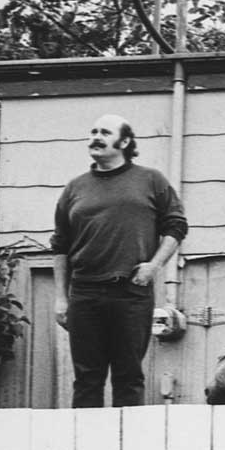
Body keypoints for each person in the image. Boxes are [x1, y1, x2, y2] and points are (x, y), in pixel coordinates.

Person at [50, 114, 188, 408]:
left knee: (128, 377)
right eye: (93, 131)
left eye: (104, 132)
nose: (96, 137)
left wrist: (154, 266)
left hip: (131, 292)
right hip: (85, 293)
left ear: (125, 142)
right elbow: (60, 245)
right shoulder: (75, 188)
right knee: (87, 378)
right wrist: (61, 299)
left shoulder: (151, 180)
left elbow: (176, 226)